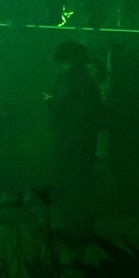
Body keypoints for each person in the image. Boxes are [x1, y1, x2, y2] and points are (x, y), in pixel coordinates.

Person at [45, 40, 103, 230]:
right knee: (83, 181)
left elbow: (62, 104)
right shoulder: (88, 80)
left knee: (68, 181)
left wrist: (52, 105)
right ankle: (84, 225)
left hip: (69, 137)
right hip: (86, 138)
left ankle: (72, 224)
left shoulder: (67, 77)